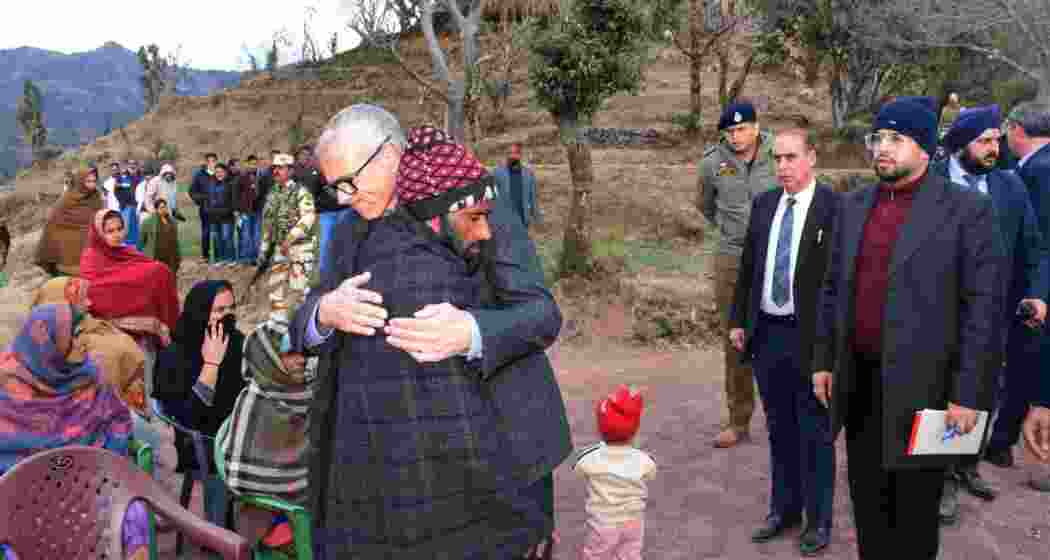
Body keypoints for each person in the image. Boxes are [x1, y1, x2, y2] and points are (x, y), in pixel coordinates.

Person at [292, 111, 570, 559]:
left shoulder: (476, 203)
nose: (343, 198)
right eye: (333, 188)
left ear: (390, 154)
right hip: (374, 470)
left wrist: (472, 331)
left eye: (348, 181)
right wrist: (324, 312)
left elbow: (541, 315)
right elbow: (301, 324)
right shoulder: (347, 232)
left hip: (479, 457)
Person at [812, 99, 1003, 559]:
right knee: (868, 505)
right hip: (860, 384)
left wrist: (968, 394)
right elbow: (832, 289)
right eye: (878, 138)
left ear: (926, 148)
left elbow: (983, 309)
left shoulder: (967, 210)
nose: (883, 147)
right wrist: (823, 361)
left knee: (915, 516)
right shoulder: (852, 206)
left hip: (928, 393)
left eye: (896, 139)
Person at [934, 104, 1049, 518]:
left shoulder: (1009, 185)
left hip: (993, 314)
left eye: (997, 140)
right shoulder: (932, 181)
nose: (994, 148)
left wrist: (1037, 294)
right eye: (984, 141)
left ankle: (965, 465)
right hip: (937, 313)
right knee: (945, 395)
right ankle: (942, 479)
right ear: (961, 144)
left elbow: (1034, 248)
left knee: (981, 392)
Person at [729, 126, 838, 555]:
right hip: (768, 335)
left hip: (811, 339)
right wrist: (739, 319)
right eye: (777, 158)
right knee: (778, 429)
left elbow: (839, 285)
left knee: (815, 432)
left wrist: (830, 349)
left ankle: (818, 520)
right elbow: (748, 268)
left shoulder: (834, 208)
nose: (783, 166)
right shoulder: (765, 204)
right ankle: (784, 510)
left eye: (791, 157)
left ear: (812, 158)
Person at [0, 303, 149, 560]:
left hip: (87, 484)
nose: (83, 343)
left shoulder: (90, 375)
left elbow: (117, 421)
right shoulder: (7, 389)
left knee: (131, 513)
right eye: (74, 336)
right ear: (48, 346)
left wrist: (96, 469)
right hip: (23, 493)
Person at [698, 100, 776, 448]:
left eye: (742, 129)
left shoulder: (777, 156)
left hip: (775, 254)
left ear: (756, 128)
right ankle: (738, 420)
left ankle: (781, 417)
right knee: (735, 339)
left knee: (779, 336)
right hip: (732, 258)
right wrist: (732, 230)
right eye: (730, 131)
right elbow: (705, 205)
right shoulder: (712, 163)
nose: (736, 136)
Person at [152, 280, 246, 528]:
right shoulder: (174, 356)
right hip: (201, 442)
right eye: (219, 310)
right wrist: (211, 365)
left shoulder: (237, 342)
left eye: (231, 309)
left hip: (240, 432)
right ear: (200, 311)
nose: (227, 317)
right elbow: (191, 418)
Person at [992, 101, 1050, 491]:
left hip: (1034, 288)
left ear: (1016, 130)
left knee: (1026, 363)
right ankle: (1001, 441)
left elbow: (1035, 240)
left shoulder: (1039, 172)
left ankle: (1027, 454)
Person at [217, 316, 313, 552]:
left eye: (303, 352)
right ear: (267, 358)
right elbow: (243, 477)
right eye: (290, 353)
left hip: (304, 504)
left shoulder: (309, 393)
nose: (301, 359)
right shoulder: (256, 404)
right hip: (268, 518)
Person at [573, 385, 655, 560]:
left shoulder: (590, 457)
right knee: (630, 555)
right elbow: (651, 473)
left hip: (603, 523)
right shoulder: (643, 459)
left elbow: (578, 469)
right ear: (634, 430)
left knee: (596, 555)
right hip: (633, 521)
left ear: (600, 429)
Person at [79, 209, 180, 346]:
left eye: (119, 229)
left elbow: (145, 271)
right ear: (99, 233)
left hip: (141, 318)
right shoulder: (91, 257)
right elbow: (91, 290)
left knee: (160, 270)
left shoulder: (127, 251)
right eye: (110, 231)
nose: (117, 235)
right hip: (109, 324)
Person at [258, 153, 318, 330]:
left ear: (291, 171)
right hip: (279, 248)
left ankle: (300, 325)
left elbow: (308, 218)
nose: (276, 171)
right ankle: (278, 322)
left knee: (299, 288)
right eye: (274, 168)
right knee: (275, 285)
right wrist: (264, 249)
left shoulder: (301, 192)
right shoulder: (272, 193)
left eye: (281, 168)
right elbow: (268, 223)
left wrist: (290, 238)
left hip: (300, 248)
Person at [35, 164, 103, 277]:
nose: (92, 185)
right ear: (80, 181)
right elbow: (52, 226)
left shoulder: (96, 197)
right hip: (68, 262)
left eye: (94, 181)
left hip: (92, 255)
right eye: (88, 181)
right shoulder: (66, 201)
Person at [492, 142, 541, 230]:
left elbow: (533, 198)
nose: (512, 156)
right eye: (509, 153)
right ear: (506, 155)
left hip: (523, 219)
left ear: (520, 155)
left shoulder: (528, 174)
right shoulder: (497, 173)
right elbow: (493, 197)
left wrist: (537, 217)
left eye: (515, 153)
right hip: (505, 220)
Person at [204, 163, 237, 266]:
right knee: (217, 239)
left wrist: (228, 210)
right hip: (214, 217)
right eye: (217, 172)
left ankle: (231, 259)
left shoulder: (230, 184)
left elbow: (234, 201)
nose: (219, 174)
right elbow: (207, 199)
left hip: (227, 217)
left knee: (226, 237)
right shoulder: (211, 184)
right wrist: (207, 210)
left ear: (225, 172)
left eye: (221, 172)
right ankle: (220, 259)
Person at [190, 153, 220, 262]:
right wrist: (201, 200)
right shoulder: (199, 175)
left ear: (216, 162)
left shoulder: (220, 173)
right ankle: (205, 256)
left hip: (218, 209)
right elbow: (192, 191)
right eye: (209, 161)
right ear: (206, 162)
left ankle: (218, 256)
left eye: (213, 161)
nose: (211, 163)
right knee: (206, 232)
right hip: (205, 209)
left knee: (217, 232)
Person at [140, 199, 181, 274]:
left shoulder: (172, 221)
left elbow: (175, 239)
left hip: (170, 255)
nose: (164, 209)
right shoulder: (148, 222)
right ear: (156, 209)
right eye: (161, 208)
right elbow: (142, 240)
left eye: (165, 207)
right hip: (156, 255)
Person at [234, 155, 261, 264]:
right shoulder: (242, 177)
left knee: (257, 235)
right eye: (251, 164)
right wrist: (237, 210)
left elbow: (264, 192)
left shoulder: (260, 176)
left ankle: (255, 257)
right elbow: (236, 194)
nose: (253, 166)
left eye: (255, 164)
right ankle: (246, 257)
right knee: (246, 234)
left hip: (258, 210)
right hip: (245, 211)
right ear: (247, 164)